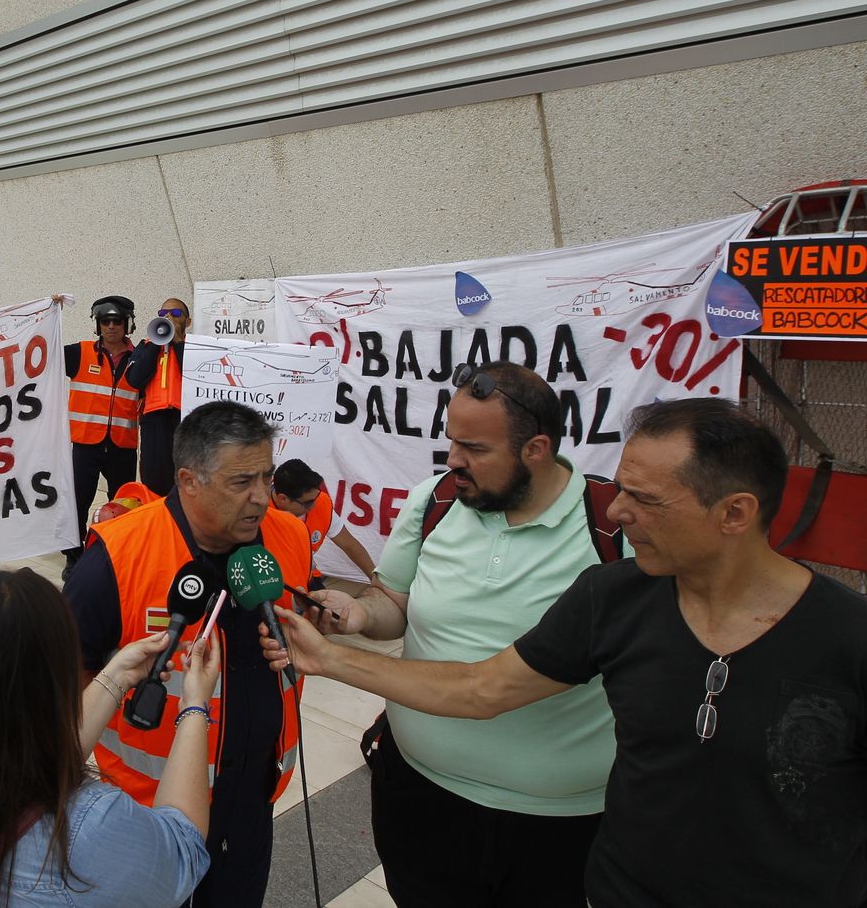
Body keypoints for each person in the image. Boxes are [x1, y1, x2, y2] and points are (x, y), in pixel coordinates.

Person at [267, 397, 867, 908]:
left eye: (645, 499)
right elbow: (483, 688)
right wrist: (330, 657)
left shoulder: (848, 639)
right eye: (621, 488)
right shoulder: (613, 597)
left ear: (734, 512)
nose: (619, 511)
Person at [306, 361, 621, 907]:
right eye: (452, 441)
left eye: (473, 448)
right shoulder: (435, 501)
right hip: (419, 796)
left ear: (536, 449)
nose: (453, 460)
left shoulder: (613, 525)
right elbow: (393, 601)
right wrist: (357, 614)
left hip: (561, 825)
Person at [63, 400, 310, 907]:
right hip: (147, 815)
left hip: (253, 805)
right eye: (241, 482)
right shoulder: (116, 557)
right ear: (188, 480)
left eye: (266, 477)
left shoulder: (290, 536)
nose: (262, 497)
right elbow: (62, 689)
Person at [0, 569, 216, 907]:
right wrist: (195, 706)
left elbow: (36, 770)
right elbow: (182, 853)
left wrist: (118, 675)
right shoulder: (88, 827)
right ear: (54, 683)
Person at [62, 295, 140, 579]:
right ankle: (74, 557)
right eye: (105, 321)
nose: (111, 326)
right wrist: (50, 310)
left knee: (122, 504)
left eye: (117, 321)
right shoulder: (79, 353)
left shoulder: (141, 358)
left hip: (122, 445)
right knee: (77, 503)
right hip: (86, 444)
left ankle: (116, 552)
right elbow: (42, 349)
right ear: (97, 325)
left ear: (127, 324)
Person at [271, 458, 376, 596]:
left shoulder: (320, 504)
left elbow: (349, 544)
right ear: (283, 499)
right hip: (271, 580)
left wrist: (375, 579)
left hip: (307, 575)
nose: (314, 506)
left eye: (316, 497)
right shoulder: (257, 513)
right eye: (308, 502)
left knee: (329, 608)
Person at [125, 296, 190, 495]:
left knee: (185, 475)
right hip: (153, 420)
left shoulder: (194, 347)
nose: (168, 316)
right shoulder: (146, 346)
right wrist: (156, 343)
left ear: (188, 322)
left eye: (176, 313)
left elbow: (195, 373)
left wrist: (178, 343)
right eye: (163, 313)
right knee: (154, 478)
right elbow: (134, 379)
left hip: (185, 419)